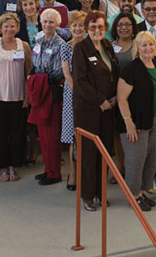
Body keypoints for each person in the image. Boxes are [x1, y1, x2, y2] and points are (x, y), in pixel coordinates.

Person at [72, 11, 120, 211]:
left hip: (109, 108)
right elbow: (80, 81)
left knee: (105, 151)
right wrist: (100, 101)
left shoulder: (108, 46)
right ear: (86, 29)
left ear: (105, 29)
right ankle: (88, 196)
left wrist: (116, 97)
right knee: (89, 154)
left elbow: (114, 74)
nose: (97, 30)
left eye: (100, 27)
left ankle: (101, 193)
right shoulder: (80, 49)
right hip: (89, 110)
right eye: (92, 27)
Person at [116, 31, 156, 212]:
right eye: (144, 45)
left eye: (151, 44)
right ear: (137, 48)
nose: (148, 48)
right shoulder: (131, 69)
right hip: (136, 122)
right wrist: (128, 122)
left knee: (152, 157)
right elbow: (121, 98)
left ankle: (141, 191)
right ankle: (133, 195)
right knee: (136, 160)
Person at [0, 12, 32, 182]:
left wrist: (26, 95)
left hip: (17, 98)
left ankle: (13, 166)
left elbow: (28, 73)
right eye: (6, 26)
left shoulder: (23, 45)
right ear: (0, 28)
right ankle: (2, 167)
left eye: (12, 26)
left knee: (17, 134)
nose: (9, 29)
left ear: (17, 28)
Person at [29, 9, 66, 186]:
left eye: (51, 22)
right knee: (42, 133)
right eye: (45, 22)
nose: (47, 25)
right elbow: (35, 62)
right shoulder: (37, 39)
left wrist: (39, 76)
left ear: (58, 24)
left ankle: (55, 172)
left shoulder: (61, 44)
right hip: (40, 89)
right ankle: (47, 168)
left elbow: (58, 71)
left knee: (52, 134)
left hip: (51, 91)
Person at [59, 11, 87, 191]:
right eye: (74, 25)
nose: (77, 28)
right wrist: (77, 92)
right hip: (72, 95)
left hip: (89, 95)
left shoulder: (90, 46)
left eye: (81, 25)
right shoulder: (65, 47)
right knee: (73, 136)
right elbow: (66, 73)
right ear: (69, 28)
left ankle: (87, 174)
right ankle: (73, 173)